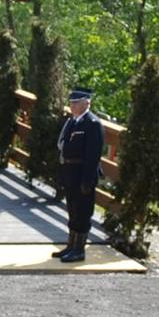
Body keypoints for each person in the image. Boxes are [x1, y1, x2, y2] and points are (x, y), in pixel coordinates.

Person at [54, 88, 105, 262]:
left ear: (86, 103)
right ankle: (71, 245)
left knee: (83, 212)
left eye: (76, 103)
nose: (72, 106)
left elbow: (93, 156)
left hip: (83, 173)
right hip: (70, 173)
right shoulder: (72, 122)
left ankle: (79, 249)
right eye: (71, 103)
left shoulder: (92, 124)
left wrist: (87, 180)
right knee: (72, 211)